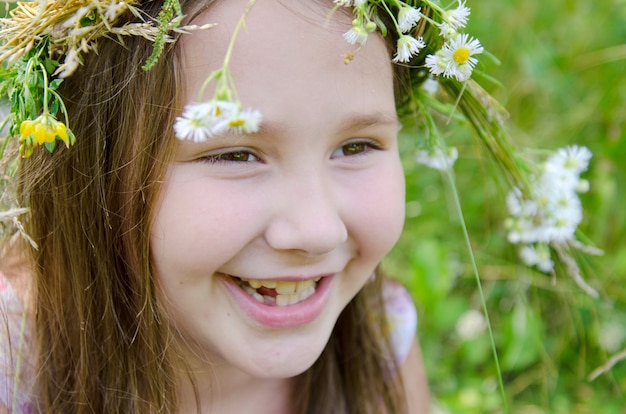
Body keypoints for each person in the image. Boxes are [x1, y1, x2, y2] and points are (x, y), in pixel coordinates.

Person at [0, 0, 554, 412]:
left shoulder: (381, 345)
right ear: (87, 167)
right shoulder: (14, 365)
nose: (315, 231)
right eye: (236, 154)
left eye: (356, 146)